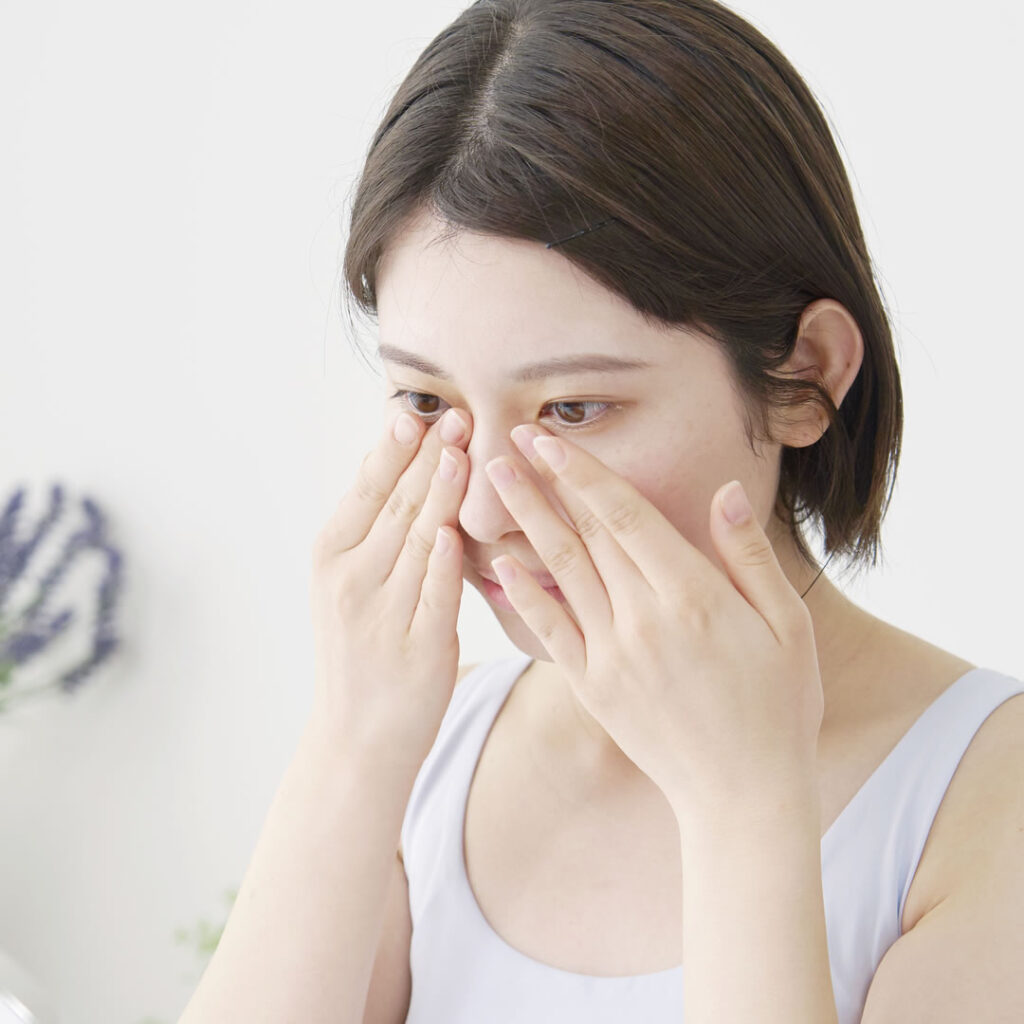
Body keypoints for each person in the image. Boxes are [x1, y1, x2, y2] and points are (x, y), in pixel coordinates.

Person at [178, 1, 1024, 1022]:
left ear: (804, 377)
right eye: (427, 401)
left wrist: (743, 811)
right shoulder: (425, 755)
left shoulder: (985, 799)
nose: (487, 506)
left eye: (572, 409)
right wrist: (350, 744)